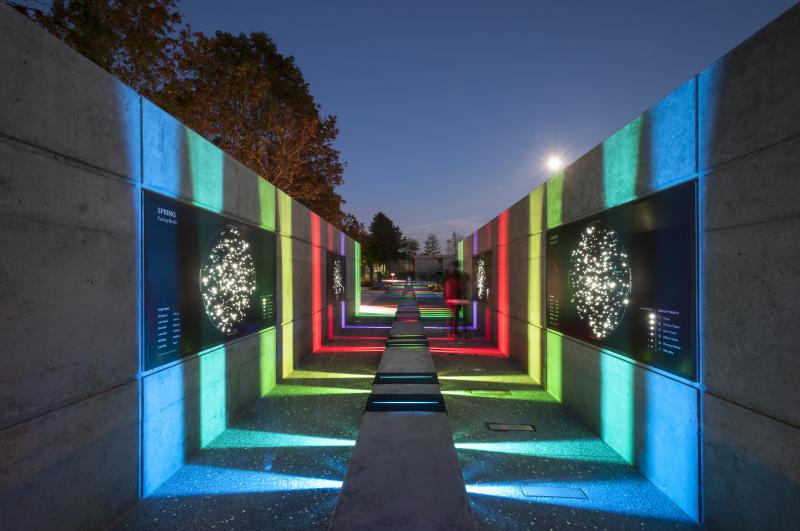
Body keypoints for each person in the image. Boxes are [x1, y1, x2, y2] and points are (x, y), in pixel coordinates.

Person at [443, 262, 464, 340]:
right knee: (455, 315)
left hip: (449, 298)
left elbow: (446, 286)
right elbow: (458, 288)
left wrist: (445, 296)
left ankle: (451, 332)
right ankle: (454, 332)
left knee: (451, 315)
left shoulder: (448, 276)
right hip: (455, 298)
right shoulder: (457, 276)